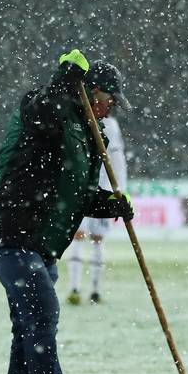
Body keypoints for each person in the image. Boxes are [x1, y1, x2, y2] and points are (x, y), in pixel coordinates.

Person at [0, 49, 134, 374]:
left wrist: (107, 202)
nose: (110, 109)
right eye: (108, 99)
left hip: (39, 243)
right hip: (10, 233)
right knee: (42, 316)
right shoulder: (49, 110)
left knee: (28, 325)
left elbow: (74, 192)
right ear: (92, 91)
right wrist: (66, 81)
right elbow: (39, 112)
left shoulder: (85, 134)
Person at [66, 101, 127, 305]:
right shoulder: (80, 122)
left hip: (97, 191)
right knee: (83, 237)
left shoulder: (109, 126)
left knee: (90, 238)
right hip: (82, 189)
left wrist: (119, 193)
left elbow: (117, 161)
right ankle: (79, 288)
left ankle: (92, 289)